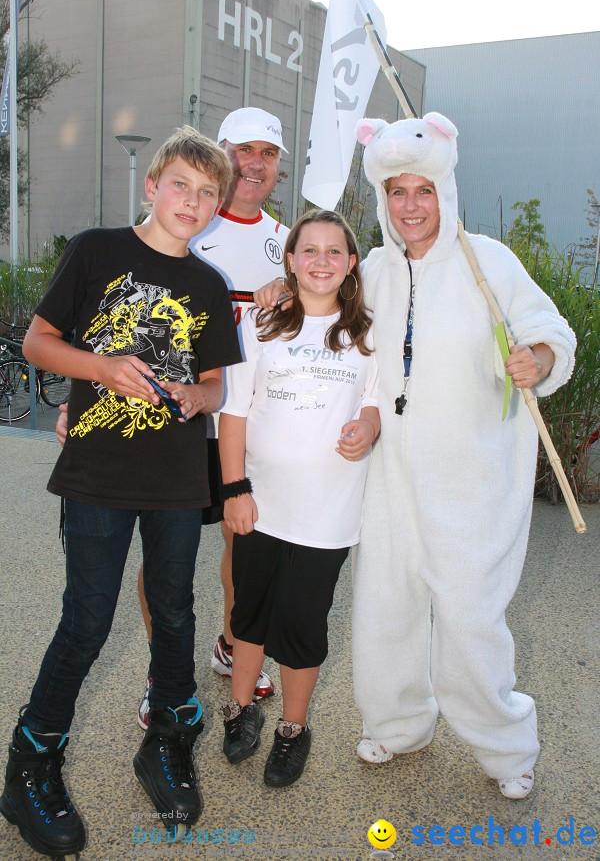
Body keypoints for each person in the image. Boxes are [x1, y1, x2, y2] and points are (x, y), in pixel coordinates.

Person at [256, 113, 576, 800]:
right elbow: (320, 304)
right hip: (390, 475)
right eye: (397, 191)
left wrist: (539, 358)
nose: (410, 205)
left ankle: (505, 746)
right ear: (383, 198)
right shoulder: (370, 267)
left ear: (444, 190)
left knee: (468, 617)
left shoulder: (489, 262)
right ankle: (400, 723)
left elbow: (550, 329)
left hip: (471, 475)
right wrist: (280, 294)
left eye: (422, 190)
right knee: (387, 606)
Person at [0, 127, 241, 857]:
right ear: (152, 185)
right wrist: (102, 370)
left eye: (207, 194)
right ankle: (30, 765)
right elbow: (39, 342)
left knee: (173, 611)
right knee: (88, 621)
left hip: (174, 477)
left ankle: (165, 738)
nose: (191, 202)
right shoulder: (98, 249)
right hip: (100, 474)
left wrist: (198, 399)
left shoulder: (207, 284)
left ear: (217, 206)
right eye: (180, 186)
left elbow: (216, 381)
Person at [56, 107, 290, 724]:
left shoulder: (291, 242)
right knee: (155, 568)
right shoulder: (176, 225)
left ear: (279, 166)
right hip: (156, 436)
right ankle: (164, 675)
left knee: (241, 543)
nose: (253, 163)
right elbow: (83, 332)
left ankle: (232, 646)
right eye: (242, 149)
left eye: (268, 152)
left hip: (245, 421)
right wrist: (86, 392)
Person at [217, 209, 380, 788]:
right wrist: (234, 489)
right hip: (258, 503)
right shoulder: (262, 326)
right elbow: (233, 413)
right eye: (308, 250)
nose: (320, 261)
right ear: (289, 259)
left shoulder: (367, 335)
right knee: (250, 613)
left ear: (351, 264)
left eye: (334, 252)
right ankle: (239, 709)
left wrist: (368, 428)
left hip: (327, 513)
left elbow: (374, 402)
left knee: (303, 623)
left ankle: (292, 726)